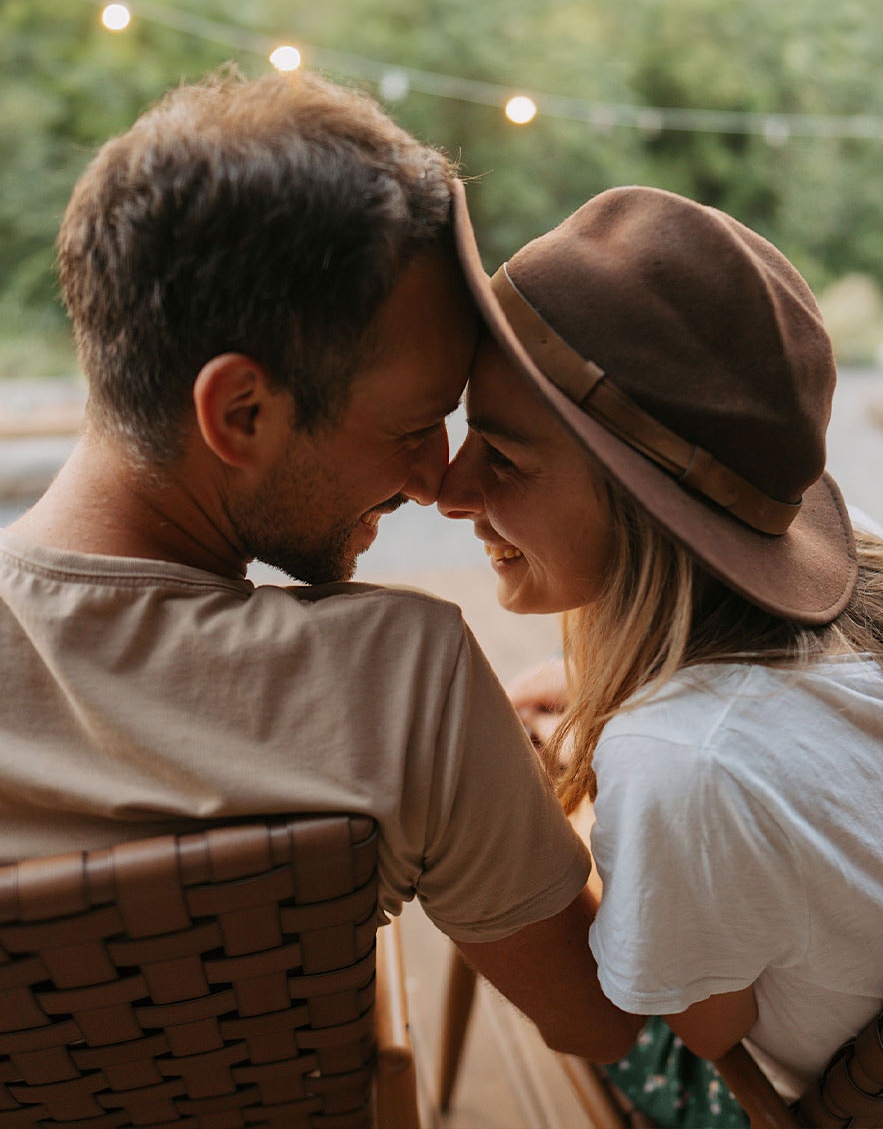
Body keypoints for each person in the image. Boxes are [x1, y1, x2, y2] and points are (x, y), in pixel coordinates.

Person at [0, 67, 637, 1063]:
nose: (436, 479)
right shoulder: (401, 684)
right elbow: (601, 1015)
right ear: (240, 413)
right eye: (417, 424)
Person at [439, 184, 883, 1125]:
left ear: (644, 509)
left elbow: (694, 1027)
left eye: (502, 456)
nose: (450, 490)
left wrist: (566, 817)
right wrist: (600, 710)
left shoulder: (682, 766)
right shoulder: (875, 570)